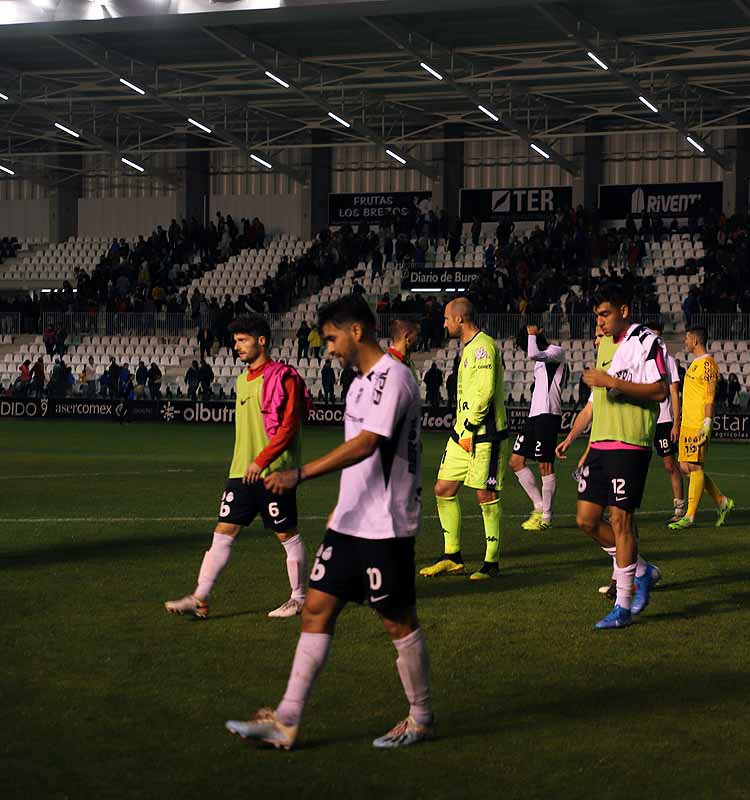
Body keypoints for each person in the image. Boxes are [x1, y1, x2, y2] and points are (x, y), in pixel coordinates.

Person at [226, 295, 433, 750]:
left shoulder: (393, 378)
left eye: (333, 338)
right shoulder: (359, 382)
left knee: (397, 622)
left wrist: (298, 473)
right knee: (316, 609)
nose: (329, 348)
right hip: (348, 523)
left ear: (357, 331)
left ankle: (419, 717)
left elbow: (367, 444)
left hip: (387, 526)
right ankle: (287, 719)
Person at [164, 314, 310, 621]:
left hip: (274, 473)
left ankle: (298, 599)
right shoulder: (243, 380)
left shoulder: (285, 376)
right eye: (235, 341)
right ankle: (200, 597)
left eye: (242, 340)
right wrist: (249, 463)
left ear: (261, 341)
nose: (237, 346)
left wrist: (262, 461)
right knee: (223, 532)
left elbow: (289, 426)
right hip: (241, 473)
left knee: (287, 535)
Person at [554, 284, 665, 629]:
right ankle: (643, 570)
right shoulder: (603, 345)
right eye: (597, 316)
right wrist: (572, 437)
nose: (599, 322)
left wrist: (611, 381)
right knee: (586, 520)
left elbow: (659, 390)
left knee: (621, 523)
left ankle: (623, 606)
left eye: (605, 314)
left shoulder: (647, 342)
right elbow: (593, 402)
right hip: (600, 444)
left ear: (624, 311)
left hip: (629, 443)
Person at [420, 298, 508, 581]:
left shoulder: (483, 347)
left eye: (447, 318)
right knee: (443, 488)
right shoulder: (470, 348)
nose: (444, 324)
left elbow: (484, 395)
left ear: (460, 319)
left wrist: (469, 430)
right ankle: (452, 556)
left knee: (485, 494)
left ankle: (491, 562)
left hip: (484, 436)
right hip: (461, 434)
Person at [669, 326, 734, 531]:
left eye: (687, 338)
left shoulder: (707, 364)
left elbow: (709, 395)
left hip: (698, 423)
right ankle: (722, 501)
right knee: (685, 467)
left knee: (695, 467)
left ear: (695, 340)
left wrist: (707, 422)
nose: (685, 342)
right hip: (687, 423)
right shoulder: (695, 364)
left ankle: (689, 516)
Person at [509, 325, 566, 532]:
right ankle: (539, 505)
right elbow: (534, 355)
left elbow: (534, 354)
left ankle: (547, 516)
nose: (526, 351)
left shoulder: (556, 352)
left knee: (545, 465)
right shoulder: (540, 359)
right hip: (534, 415)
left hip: (549, 414)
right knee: (515, 461)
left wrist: (531, 335)